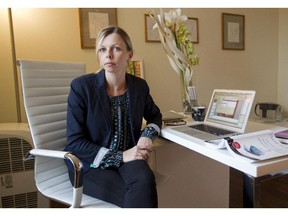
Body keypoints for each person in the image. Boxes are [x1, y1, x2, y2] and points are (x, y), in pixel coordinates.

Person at [64, 26, 162, 208]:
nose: (108, 55)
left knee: (145, 181)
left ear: (129, 55)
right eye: (102, 49)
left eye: (116, 49)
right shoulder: (81, 87)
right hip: (89, 164)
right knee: (135, 193)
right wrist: (120, 156)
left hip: (129, 155)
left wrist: (147, 135)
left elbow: (155, 115)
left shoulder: (139, 86)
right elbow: (75, 142)